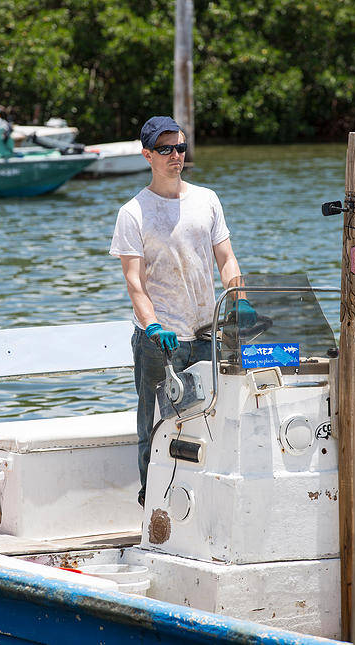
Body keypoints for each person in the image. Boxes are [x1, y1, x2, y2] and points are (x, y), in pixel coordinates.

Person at [109, 116, 256, 507]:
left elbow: (226, 259)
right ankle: (152, 505)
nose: (176, 155)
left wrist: (238, 299)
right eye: (165, 149)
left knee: (210, 424)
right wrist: (154, 326)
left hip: (207, 337)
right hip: (159, 342)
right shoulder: (133, 213)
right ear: (147, 155)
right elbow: (134, 282)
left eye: (180, 147)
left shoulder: (207, 199)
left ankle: (203, 506)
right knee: (155, 429)